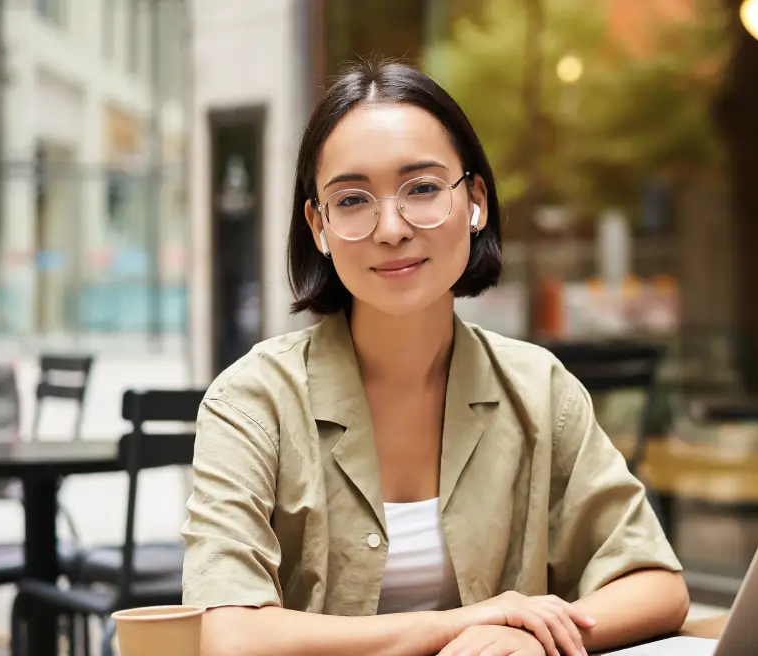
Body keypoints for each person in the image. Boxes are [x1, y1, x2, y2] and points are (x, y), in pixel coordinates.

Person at [184, 60, 690, 656]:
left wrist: (530, 642)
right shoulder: (252, 402)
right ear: (318, 226)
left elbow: (655, 583)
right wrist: (464, 625)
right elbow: (232, 636)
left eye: (422, 188)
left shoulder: (538, 389)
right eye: (352, 200)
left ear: (474, 201)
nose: (392, 228)